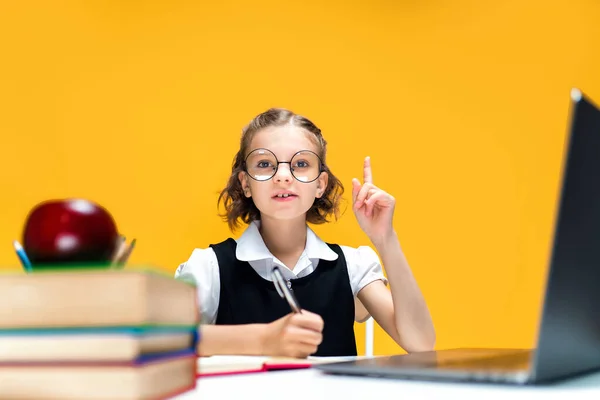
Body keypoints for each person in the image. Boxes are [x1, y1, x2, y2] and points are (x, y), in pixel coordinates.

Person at [175, 108, 435, 358]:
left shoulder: (354, 265)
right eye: (265, 163)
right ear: (246, 183)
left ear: (320, 184)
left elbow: (420, 343)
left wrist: (385, 239)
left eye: (300, 164)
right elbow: (162, 343)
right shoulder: (209, 266)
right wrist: (263, 339)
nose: (283, 176)